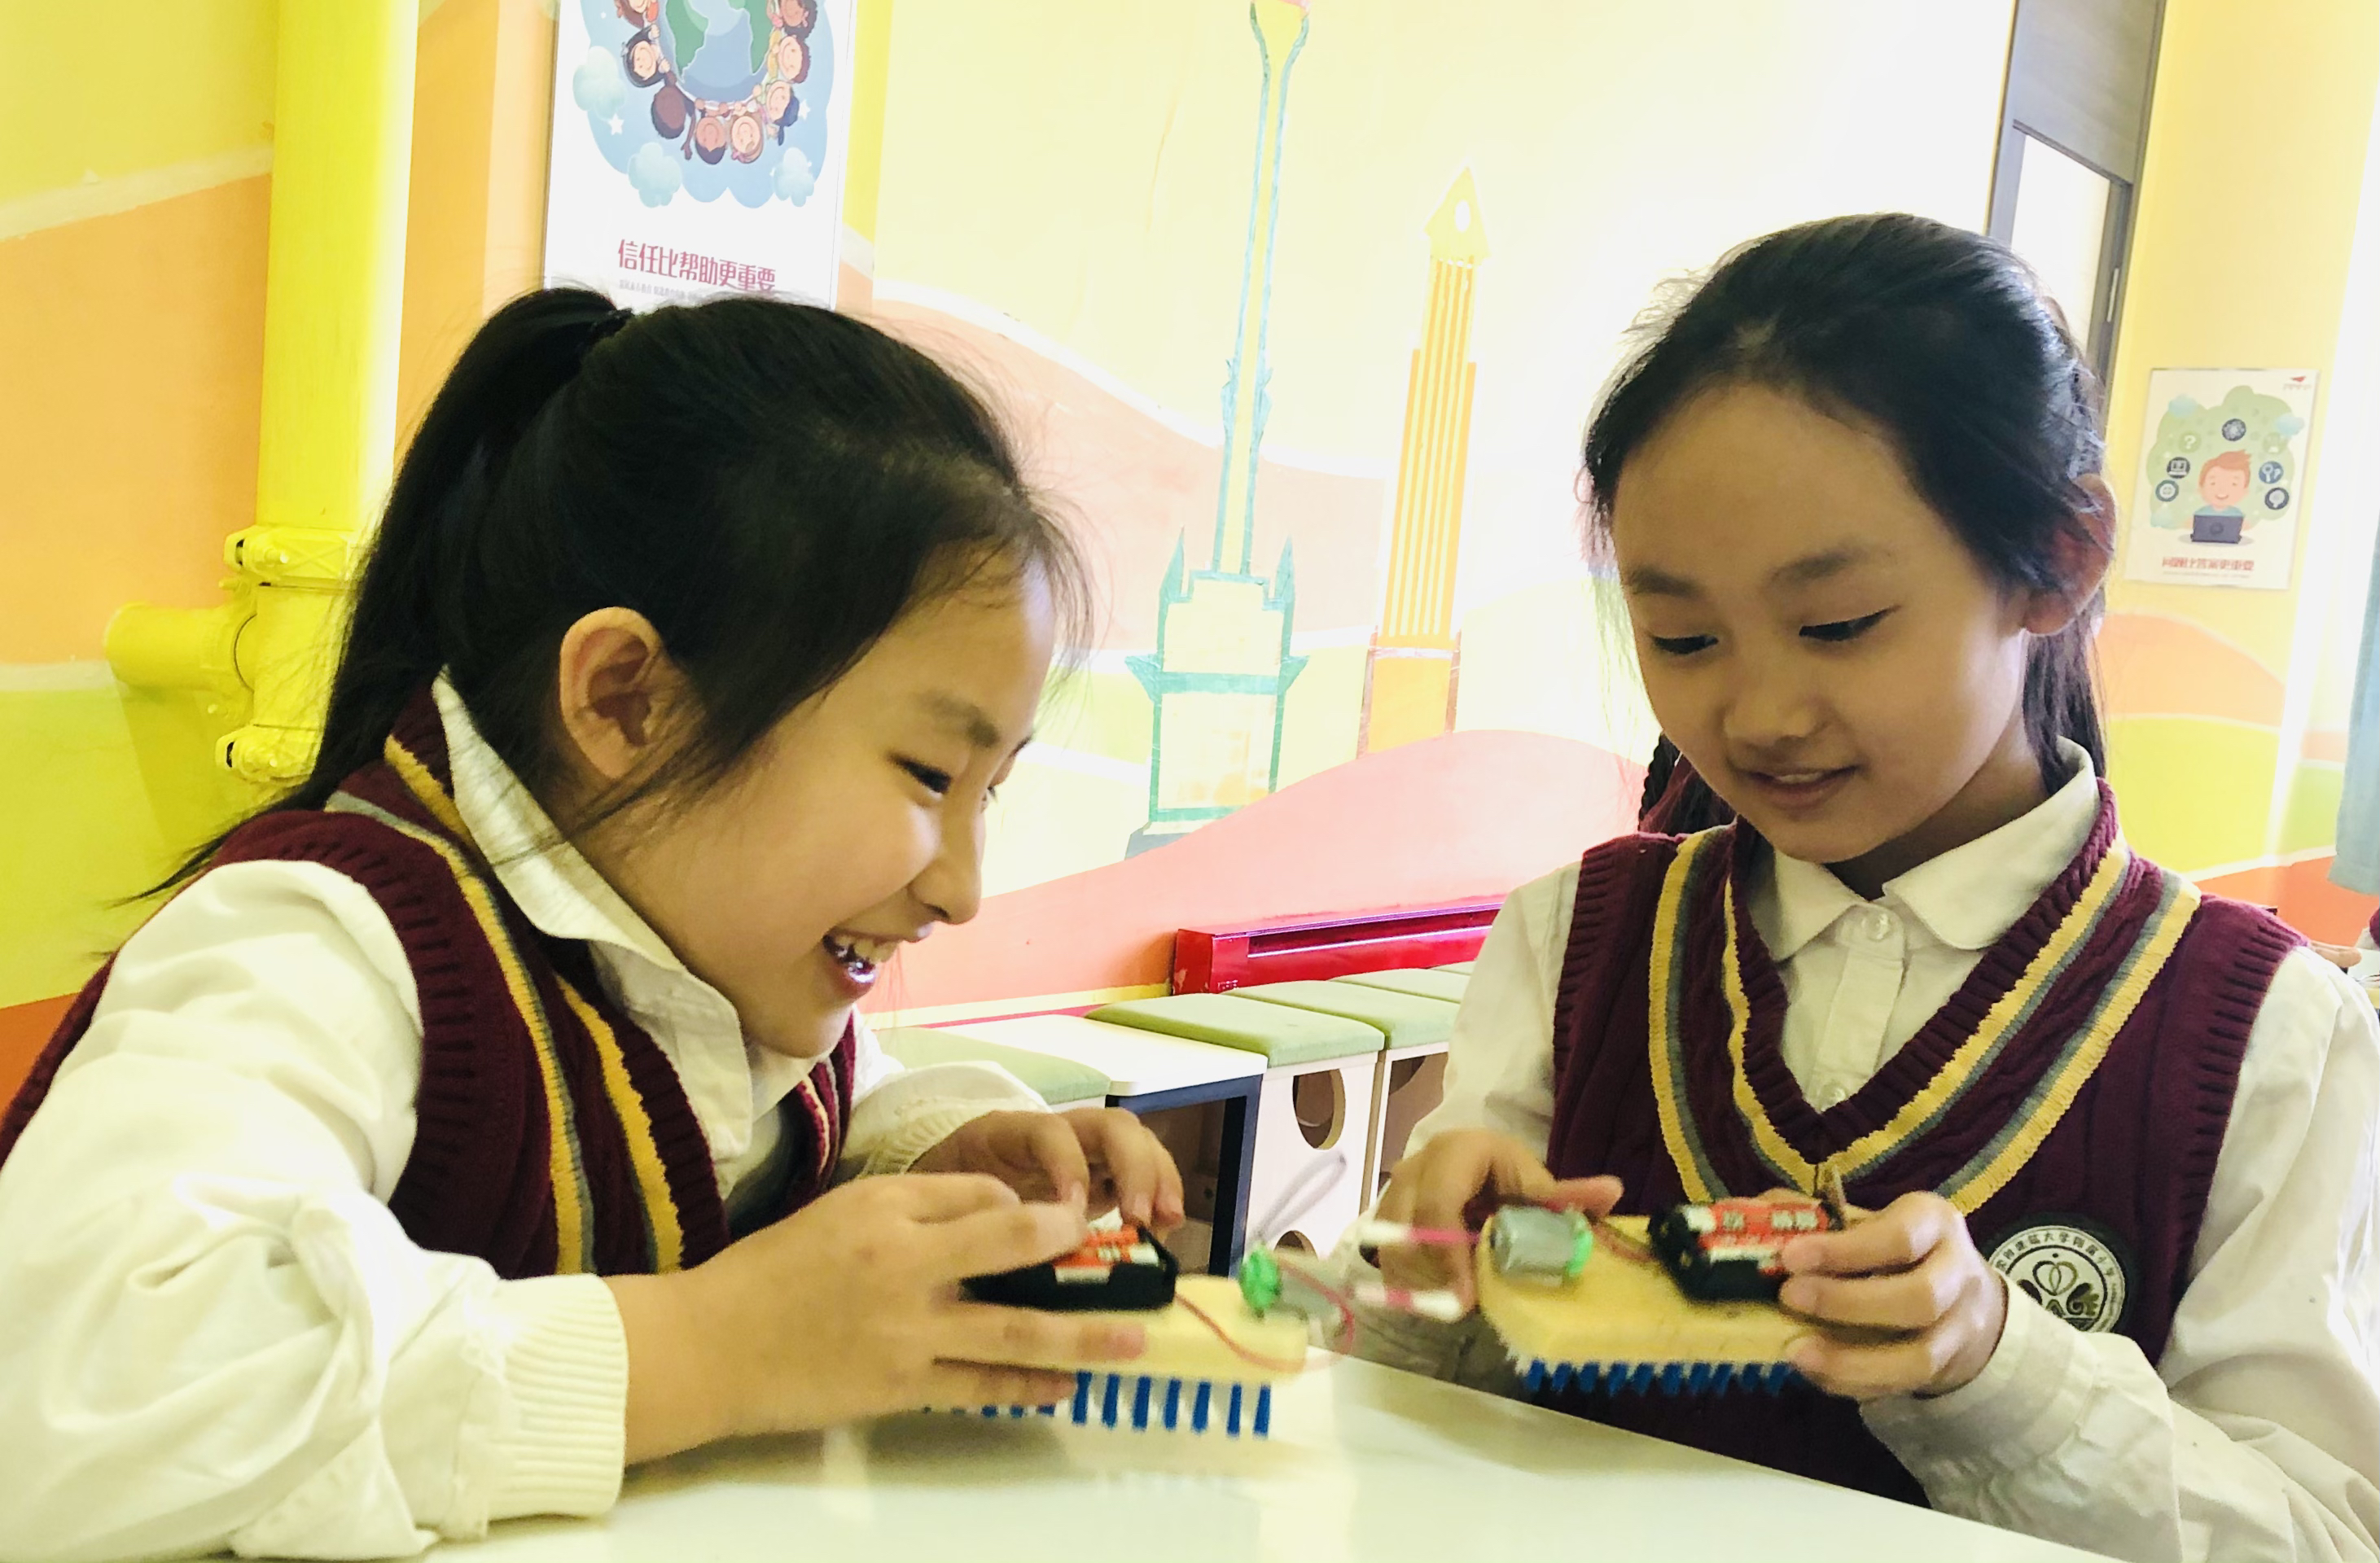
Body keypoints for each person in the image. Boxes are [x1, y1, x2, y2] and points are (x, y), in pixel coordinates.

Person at [0, 290, 1186, 1560]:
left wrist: (925, 1157)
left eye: (988, 793)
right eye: (928, 775)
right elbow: (73, 1392)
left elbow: (756, 1121)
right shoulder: (323, 946)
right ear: (628, 701)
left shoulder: (713, 960)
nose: (963, 889)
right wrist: (712, 1350)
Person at [1357, 215, 2379, 1563]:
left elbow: (2320, 1531)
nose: (1760, 714)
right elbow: (1417, 1427)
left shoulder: (2265, 1035)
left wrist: (2002, 1367)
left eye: (1838, 625)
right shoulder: (1578, 942)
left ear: (2062, 558)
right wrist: (1426, 1283)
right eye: (1683, 637)